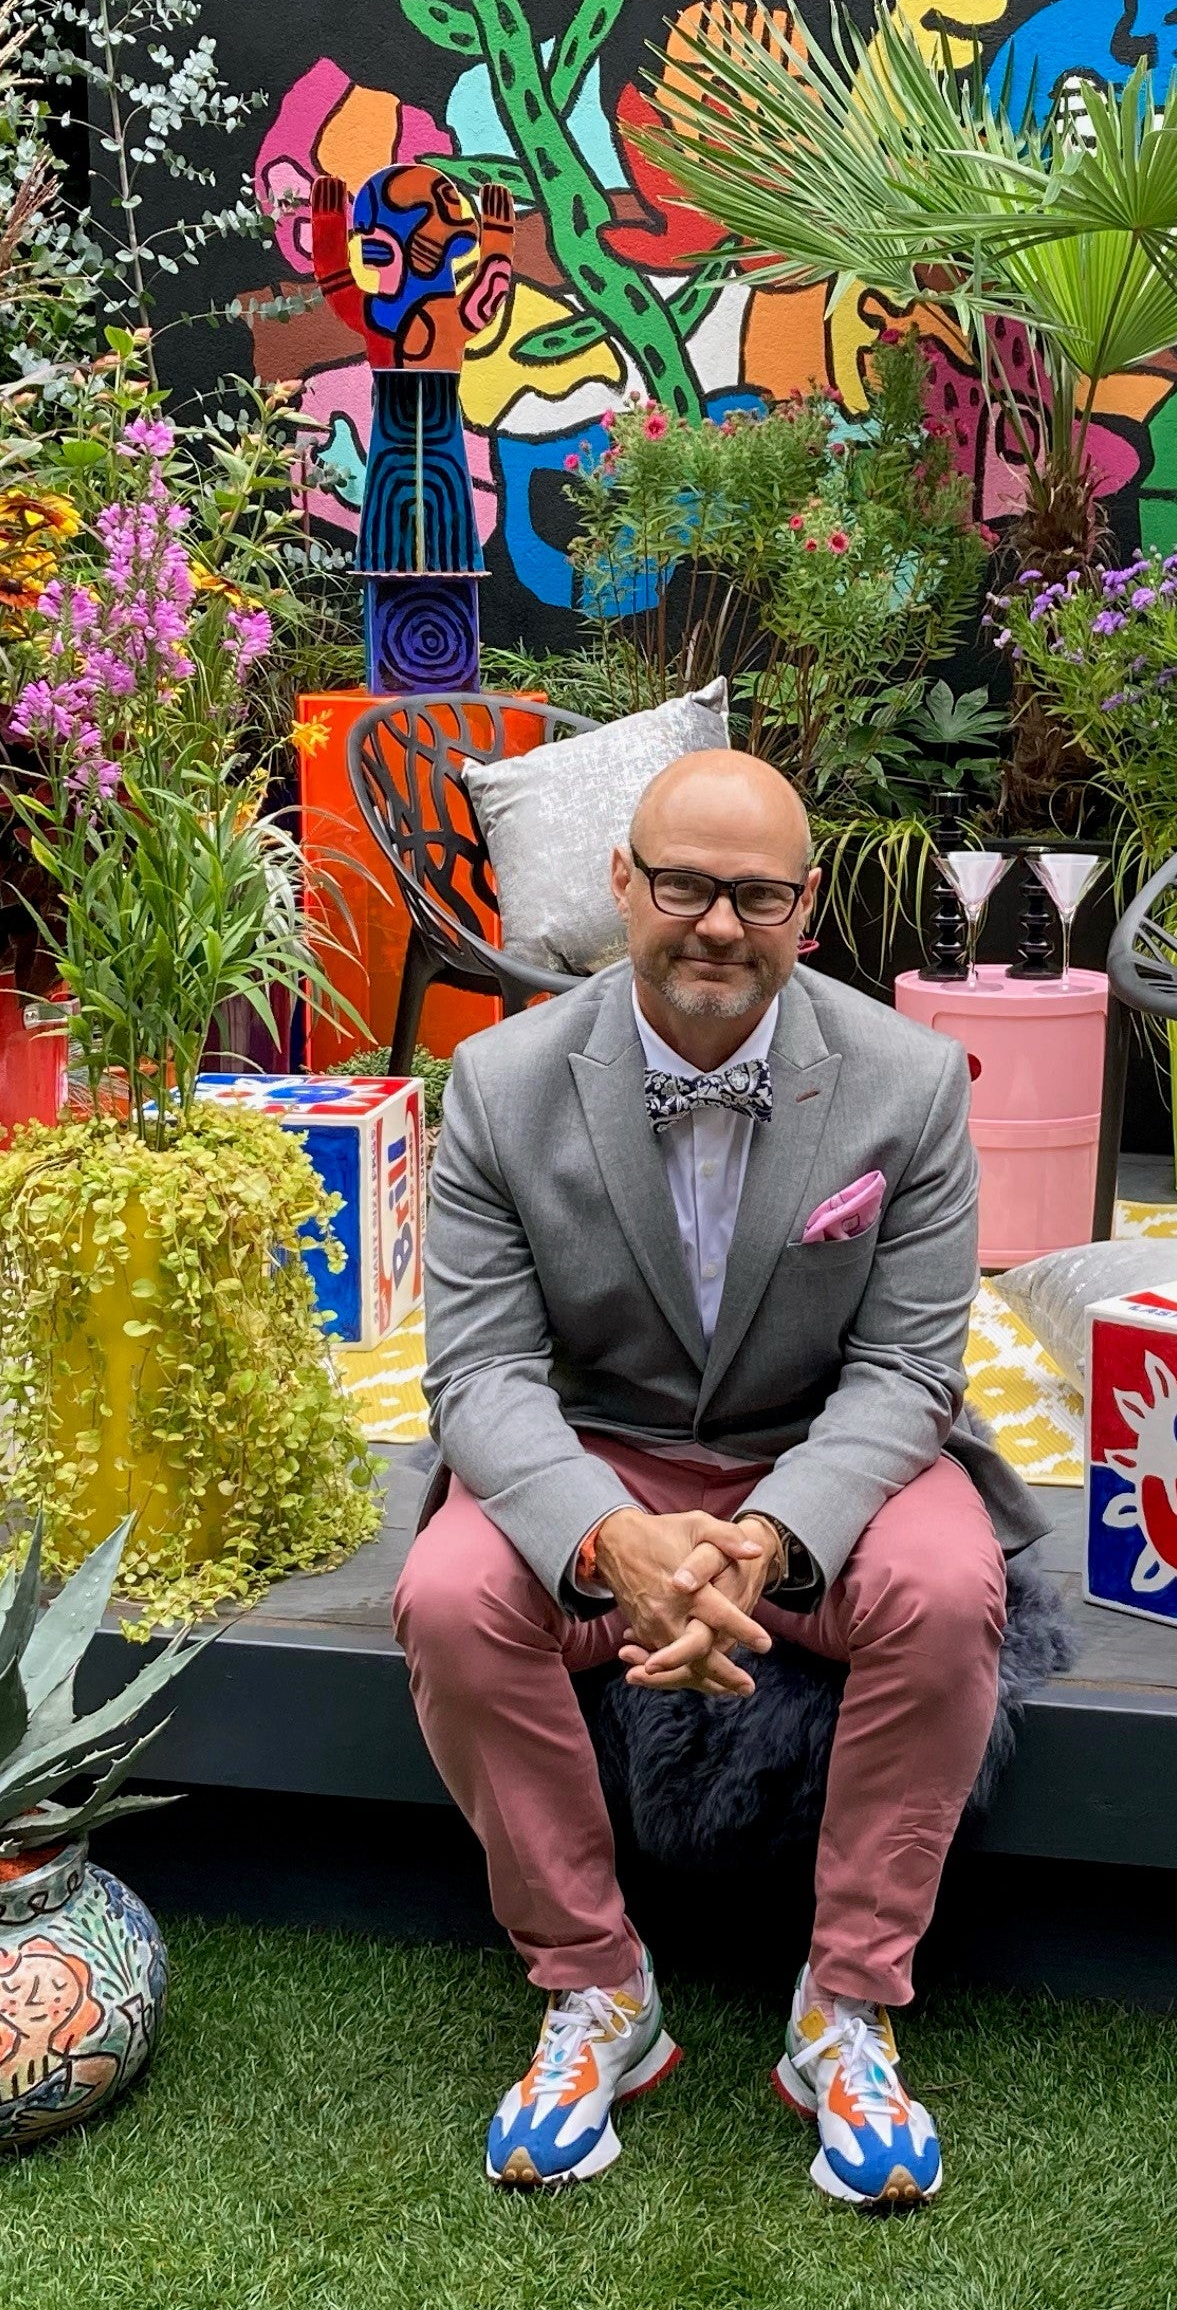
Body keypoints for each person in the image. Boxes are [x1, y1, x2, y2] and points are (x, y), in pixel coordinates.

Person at [400, 747, 1041, 2208]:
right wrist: (609, 1536)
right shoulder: (499, 1086)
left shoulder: (911, 1079)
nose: (715, 925)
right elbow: (483, 1376)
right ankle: (599, 1990)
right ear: (620, 884)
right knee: (447, 1591)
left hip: (824, 1450)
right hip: (600, 1445)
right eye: (683, 884)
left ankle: (848, 2004)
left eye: (756, 894)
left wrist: (769, 1534)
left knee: (947, 1587)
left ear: (805, 908)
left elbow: (906, 1376)